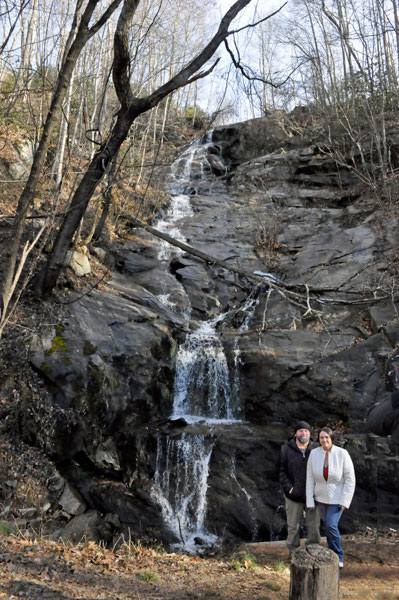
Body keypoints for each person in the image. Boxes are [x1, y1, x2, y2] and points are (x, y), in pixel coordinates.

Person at [306, 427, 356, 568]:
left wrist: (345, 501)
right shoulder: (314, 454)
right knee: (327, 527)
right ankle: (331, 553)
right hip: (320, 498)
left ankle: (339, 556)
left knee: (331, 525)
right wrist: (310, 499)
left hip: (337, 498)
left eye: (326, 437)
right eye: (321, 437)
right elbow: (310, 478)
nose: (324, 440)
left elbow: (350, 479)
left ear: (331, 438)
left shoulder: (342, 454)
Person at [279, 421, 321, 555]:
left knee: (314, 526)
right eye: (301, 431)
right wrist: (289, 488)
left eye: (306, 431)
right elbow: (281, 471)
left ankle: (314, 552)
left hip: (313, 495)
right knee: (292, 527)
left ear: (310, 434)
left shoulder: (317, 448)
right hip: (293, 495)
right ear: (296, 433)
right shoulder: (285, 449)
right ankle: (293, 554)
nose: (304, 433)